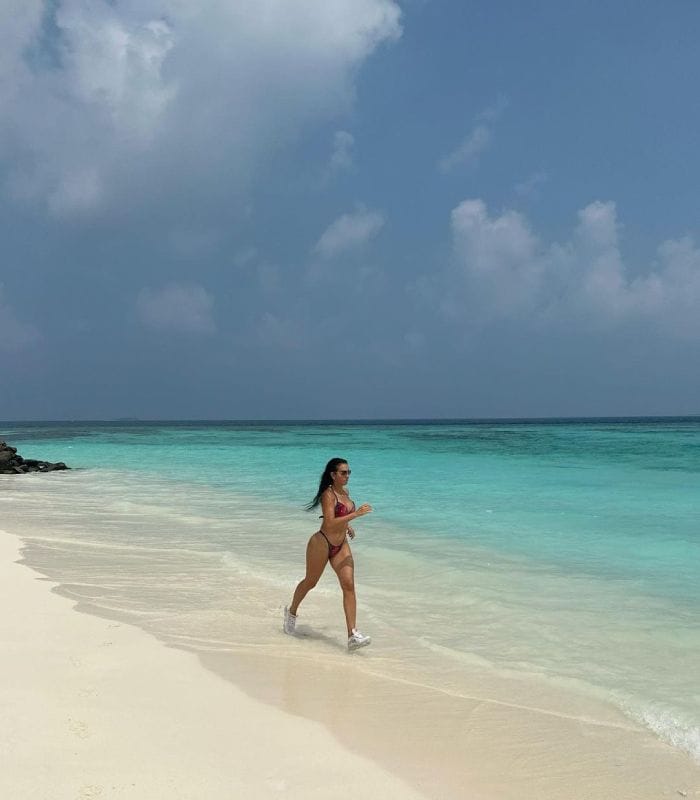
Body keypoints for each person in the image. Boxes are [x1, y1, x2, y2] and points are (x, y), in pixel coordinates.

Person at [284, 457, 373, 651]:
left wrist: (347, 524)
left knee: (349, 585)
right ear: (333, 475)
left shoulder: (345, 493)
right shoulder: (328, 494)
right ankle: (291, 612)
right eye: (343, 472)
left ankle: (352, 635)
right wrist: (355, 515)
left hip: (341, 544)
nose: (347, 476)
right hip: (322, 543)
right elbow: (329, 523)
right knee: (310, 582)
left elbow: (337, 517)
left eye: (349, 472)